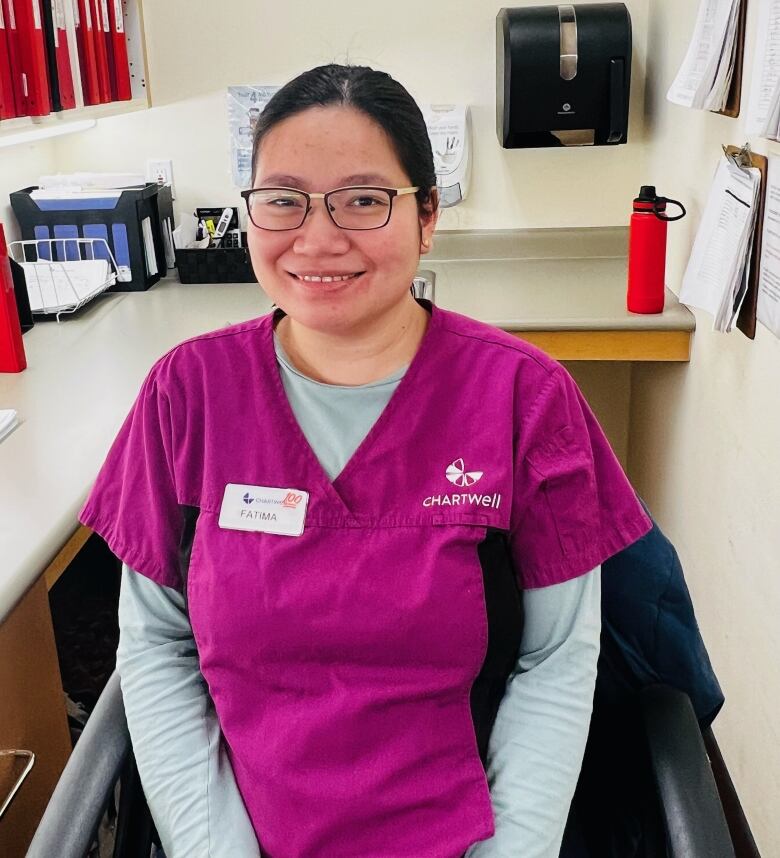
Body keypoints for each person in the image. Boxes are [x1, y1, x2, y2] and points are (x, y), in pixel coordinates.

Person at [80, 64, 651, 858]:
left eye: (362, 199)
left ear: (426, 216)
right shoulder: (187, 394)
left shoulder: (524, 398)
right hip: (239, 833)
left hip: (468, 834)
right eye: (283, 199)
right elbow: (156, 646)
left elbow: (557, 660)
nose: (317, 238)